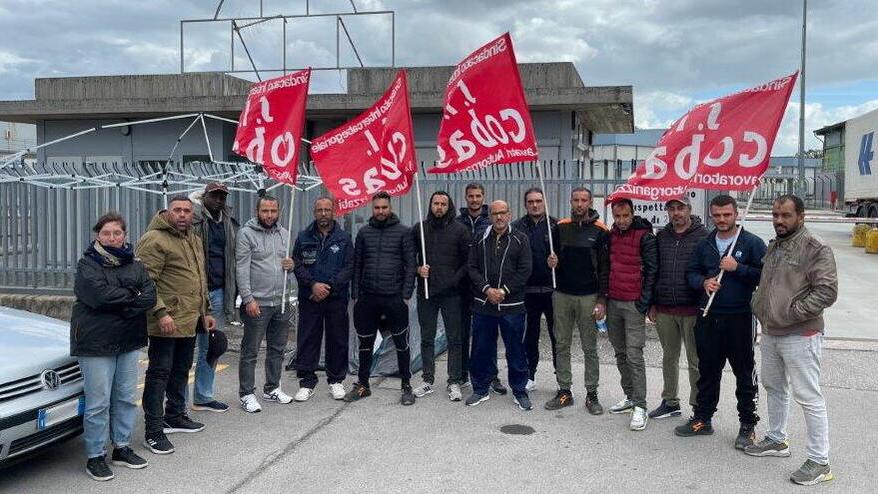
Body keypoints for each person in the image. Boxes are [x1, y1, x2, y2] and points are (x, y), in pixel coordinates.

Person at [747, 194, 838, 486]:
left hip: (801, 332)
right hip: (772, 331)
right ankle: (777, 439)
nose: (779, 221)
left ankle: (820, 461)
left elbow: (826, 292)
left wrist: (791, 312)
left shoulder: (815, 248)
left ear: (801, 216)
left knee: (809, 397)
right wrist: (761, 307)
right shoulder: (776, 245)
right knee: (774, 386)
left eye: (785, 215)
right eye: (775, 215)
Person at [676, 194, 766, 451]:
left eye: (727, 214)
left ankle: (748, 426)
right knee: (707, 371)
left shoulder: (751, 243)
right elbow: (691, 272)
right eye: (717, 215)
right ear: (711, 215)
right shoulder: (705, 244)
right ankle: (703, 418)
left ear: (736, 214)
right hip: (709, 316)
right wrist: (703, 283)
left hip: (739, 317)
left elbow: (764, 275)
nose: (722, 219)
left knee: (744, 373)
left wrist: (738, 268)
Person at [71, 212, 157, 481]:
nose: (111, 238)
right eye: (106, 233)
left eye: (117, 233)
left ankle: (121, 447)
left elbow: (150, 295)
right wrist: (132, 296)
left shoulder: (135, 264)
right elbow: (97, 297)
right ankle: (95, 456)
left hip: (128, 340)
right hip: (96, 342)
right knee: (98, 403)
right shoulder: (87, 264)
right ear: (98, 235)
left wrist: (123, 302)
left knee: (124, 398)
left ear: (125, 236)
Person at [137, 196, 216, 455]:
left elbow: (200, 277)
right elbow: (145, 282)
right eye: (177, 210)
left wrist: (205, 310)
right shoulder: (154, 239)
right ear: (167, 212)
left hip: (189, 318)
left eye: (186, 211)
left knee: (182, 369)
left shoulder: (192, 237)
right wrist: (160, 313)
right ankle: (153, 430)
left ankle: (174, 415)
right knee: (159, 373)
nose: (182, 215)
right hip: (166, 321)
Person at [345, 192, 417, 405]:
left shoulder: (404, 233)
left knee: (401, 343)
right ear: (372, 209)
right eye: (377, 208)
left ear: (390, 207)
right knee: (365, 344)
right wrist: (355, 294)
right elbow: (357, 265)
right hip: (367, 298)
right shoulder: (364, 233)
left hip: (394, 298)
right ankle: (363, 384)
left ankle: (406, 386)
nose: (381, 211)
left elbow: (411, 265)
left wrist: (406, 295)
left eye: (384, 207)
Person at [544, 188, 609, 414]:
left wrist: (602, 300)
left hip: (589, 297)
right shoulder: (560, 227)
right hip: (562, 294)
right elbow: (551, 257)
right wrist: (551, 262)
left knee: (589, 347)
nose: (579, 204)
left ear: (590, 202)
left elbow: (604, 269)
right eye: (575, 200)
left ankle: (592, 394)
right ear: (570, 202)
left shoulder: (601, 231)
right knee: (561, 343)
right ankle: (564, 391)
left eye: (584, 200)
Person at [464, 200, 532, 410]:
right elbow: (472, 267)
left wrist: (503, 291)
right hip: (484, 303)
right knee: (481, 348)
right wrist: (487, 289)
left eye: (503, 213)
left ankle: (519, 390)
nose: (499, 217)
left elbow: (525, 270)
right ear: (490, 216)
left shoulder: (520, 238)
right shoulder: (480, 238)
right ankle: (480, 389)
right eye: (495, 214)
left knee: (515, 349)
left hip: (512, 304)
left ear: (509, 214)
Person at [648, 196, 707, 420]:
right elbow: (654, 271)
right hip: (665, 309)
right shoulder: (662, 236)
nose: (676, 213)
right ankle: (670, 401)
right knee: (668, 357)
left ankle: (698, 406)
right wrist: (653, 303)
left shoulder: (703, 236)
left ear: (689, 209)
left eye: (680, 208)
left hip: (693, 310)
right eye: (671, 209)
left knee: (695, 361)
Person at [236, 194, 296, 413]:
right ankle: (246, 394)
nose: (269, 215)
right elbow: (241, 269)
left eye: (273, 211)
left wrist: (292, 265)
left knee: (277, 348)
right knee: (250, 350)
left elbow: (286, 267)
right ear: (257, 212)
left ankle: (272, 388)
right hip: (257, 304)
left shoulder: (285, 234)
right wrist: (248, 299)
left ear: (278, 212)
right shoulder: (246, 234)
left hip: (280, 301)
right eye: (265, 211)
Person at [291, 197, 354, 402]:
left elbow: (349, 267)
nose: (324, 213)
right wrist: (312, 285)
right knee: (308, 339)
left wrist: (330, 287)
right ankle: (307, 382)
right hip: (310, 297)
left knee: (337, 339)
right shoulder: (303, 237)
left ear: (334, 211)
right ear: (314, 212)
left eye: (327, 209)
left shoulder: (344, 238)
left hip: (336, 298)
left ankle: (336, 381)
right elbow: (297, 264)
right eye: (320, 210)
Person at [411, 191, 471, 401]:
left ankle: (454, 381)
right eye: (435, 203)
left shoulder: (460, 230)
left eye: (443, 204)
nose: (439, 207)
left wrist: (454, 280)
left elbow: (468, 262)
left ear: (449, 206)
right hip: (426, 292)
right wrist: (418, 269)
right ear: (430, 205)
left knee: (455, 339)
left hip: (452, 294)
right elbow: (409, 258)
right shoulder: (420, 229)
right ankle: (427, 380)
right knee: (426, 338)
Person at [605, 198, 657, 431]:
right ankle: (629, 396)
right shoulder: (611, 235)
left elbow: (653, 270)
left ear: (632, 213)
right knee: (620, 353)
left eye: (626, 215)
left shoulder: (645, 236)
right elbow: (607, 266)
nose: (622, 220)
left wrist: (644, 302)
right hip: (614, 302)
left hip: (634, 304)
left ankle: (641, 406)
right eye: (618, 216)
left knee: (634, 355)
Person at [189, 182, 239, 413]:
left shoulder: (227, 221)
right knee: (185, 348)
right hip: (194, 293)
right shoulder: (193, 220)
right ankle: (175, 403)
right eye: (215, 196)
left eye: (223, 197)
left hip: (218, 291)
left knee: (211, 346)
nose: (219, 200)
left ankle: (203, 396)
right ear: (204, 196)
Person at [456, 182, 506, 395]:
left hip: (485, 288)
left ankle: (492, 375)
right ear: (465, 198)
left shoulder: (491, 221)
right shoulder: (457, 222)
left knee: (488, 335)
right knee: (461, 333)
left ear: (483, 197)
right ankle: (461, 374)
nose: (474, 199)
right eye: (471, 196)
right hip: (461, 286)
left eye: (478, 196)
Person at [511, 187, 558, 391]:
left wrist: (558, 262)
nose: (535, 205)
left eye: (538, 200)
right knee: (529, 336)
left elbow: (565, 254)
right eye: (530, 202)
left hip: (552, 290)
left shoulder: (555, 225)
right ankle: (530, 375)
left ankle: (561, 377)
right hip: (527, 291)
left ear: (544, 202)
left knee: (558, 336)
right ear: (525, 204)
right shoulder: (516, 227)